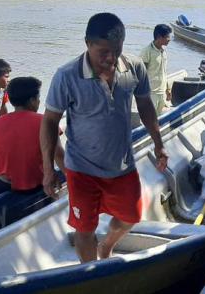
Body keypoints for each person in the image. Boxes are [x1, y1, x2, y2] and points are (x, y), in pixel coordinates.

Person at [40, 13, 168, 263]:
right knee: (84, 229)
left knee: (131, 218)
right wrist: (49, 168)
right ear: (87, 43)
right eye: (103, 52)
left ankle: (106, 246)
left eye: (117, 50)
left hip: (122, 166)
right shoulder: (67, 76)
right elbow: (49, 122)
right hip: (81, 169)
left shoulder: (134, 68)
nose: (111, 58)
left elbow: (146, 108)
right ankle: (90, 273)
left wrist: (159, 144)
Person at [0, 77, 65, 202]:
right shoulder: (47, 122)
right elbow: (59, 155)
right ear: (32, 100)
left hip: (6, 184)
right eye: (38, 99)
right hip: (39, 182)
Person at [140, 24, 172, 114]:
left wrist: (168, 89)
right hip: (151, 93)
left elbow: (164, 71)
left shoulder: (164, 52)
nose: (169, 39)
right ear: (159, 37)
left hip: (162, 92)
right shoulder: (147, 52)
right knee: (149, 120)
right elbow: (141, 74)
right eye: (167, 37)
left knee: (158, 120)